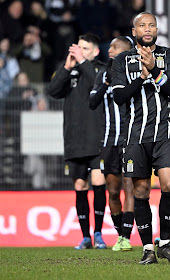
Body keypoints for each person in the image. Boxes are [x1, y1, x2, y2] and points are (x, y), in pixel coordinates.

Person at [111, 12, 170, 264]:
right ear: (134, 31)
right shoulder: (121, 60)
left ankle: (165, 243)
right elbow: (119, 97)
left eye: (151, 24)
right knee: (141, 190)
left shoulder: (169, 55)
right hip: (135, 135)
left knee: (169, 186)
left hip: (164, 134)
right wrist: (142, 78)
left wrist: (154, 69)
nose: (147, 28)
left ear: (157, 28)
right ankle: (147, 248)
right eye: (142, 25)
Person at [47, 33, 107, 249]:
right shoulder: (69, 69)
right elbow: (52, 91)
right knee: (80, 187)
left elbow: (97, 84)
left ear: (95, 51)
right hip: (74, 139)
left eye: (85, 49)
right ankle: (85, 237)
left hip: (97, 138)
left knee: (99, 184)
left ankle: (99, 233)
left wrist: (82, 62)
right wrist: (66, 67)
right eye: (78, 48)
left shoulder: (101, 68)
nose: (80, 52)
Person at [89, 36, 135, 252]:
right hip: (109, 141)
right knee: (113, 191)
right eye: (111, 46)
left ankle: (126, 236)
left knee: (130, 187)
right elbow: (92, 102)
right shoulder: (103, 74)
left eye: (116, 46)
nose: (111, 49)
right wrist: (106, 83)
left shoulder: (135, 72)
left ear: (128, 50)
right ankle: (120, 234)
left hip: (131, 138)